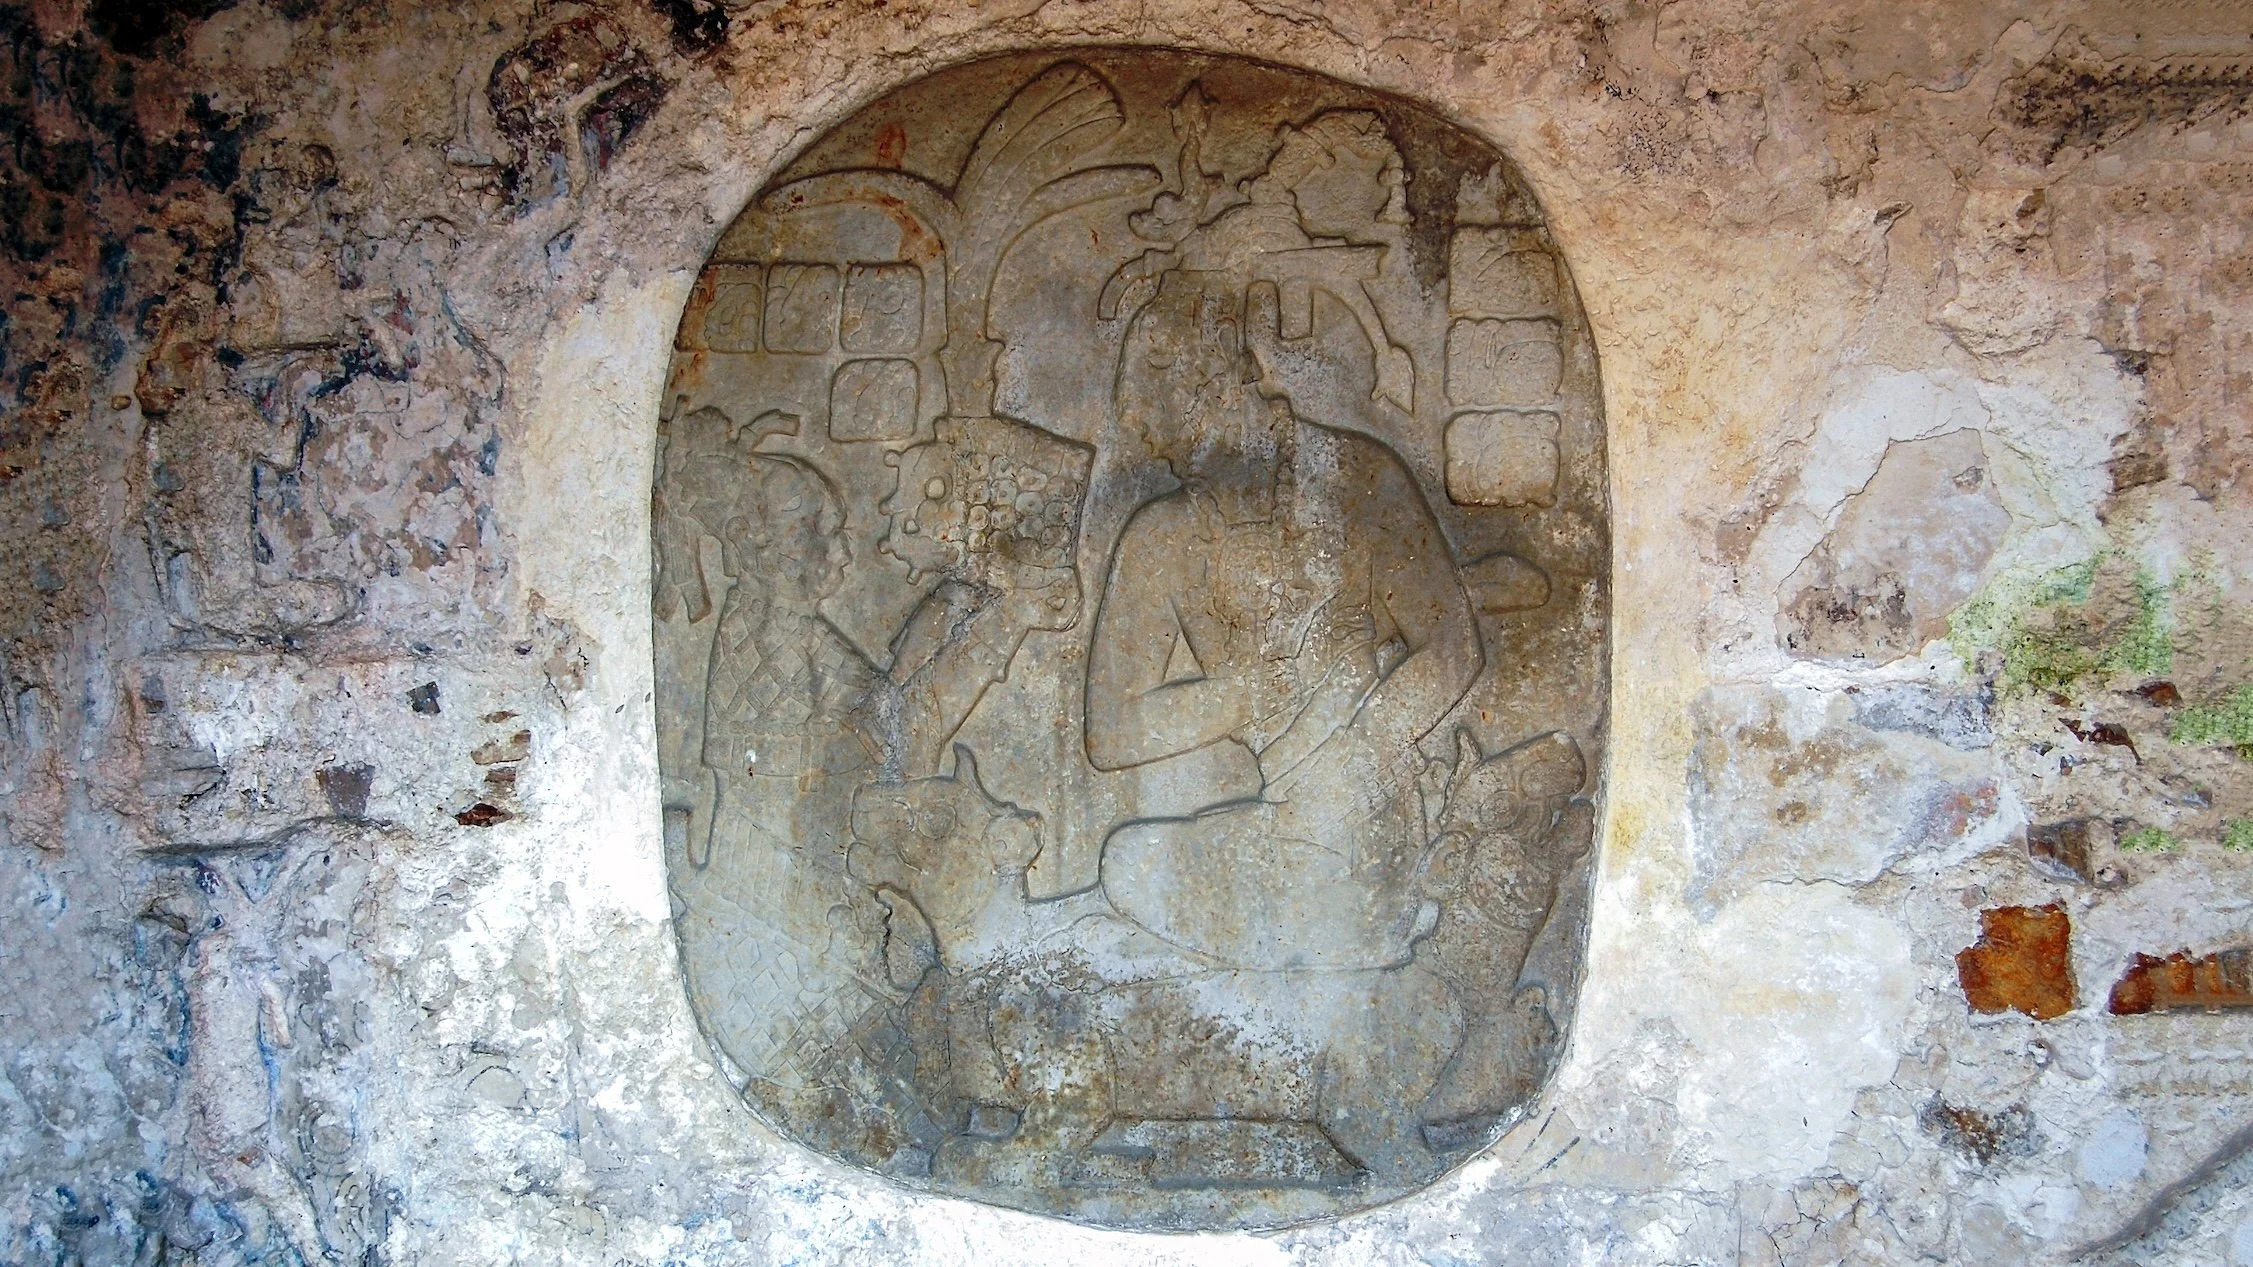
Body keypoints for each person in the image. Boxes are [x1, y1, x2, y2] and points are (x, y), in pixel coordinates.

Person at [1086, 111, 1482, 972]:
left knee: (1278, 881)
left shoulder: (1361, 478)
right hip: (1279, 813)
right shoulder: (1165, 534)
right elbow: (1110, 732)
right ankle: (1322, 940)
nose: (1151, 444)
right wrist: (1244, 694)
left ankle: (1350, 928)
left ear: (1222, 383)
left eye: (1161, 417)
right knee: (1129, 862)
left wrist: (1361, 755)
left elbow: (1449, 650)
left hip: (1365, 817)